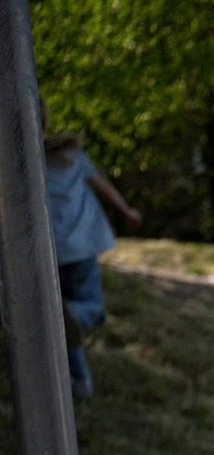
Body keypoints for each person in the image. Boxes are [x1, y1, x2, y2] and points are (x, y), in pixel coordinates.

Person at [34, 99, 141, 401]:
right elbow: (102, 185)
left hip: (50, 252)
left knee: (62, 323)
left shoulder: (24, 164)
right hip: (80, 248)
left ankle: (79, 381)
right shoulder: (70, 155)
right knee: (89, 309)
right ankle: (78, 368)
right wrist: (126, 210)